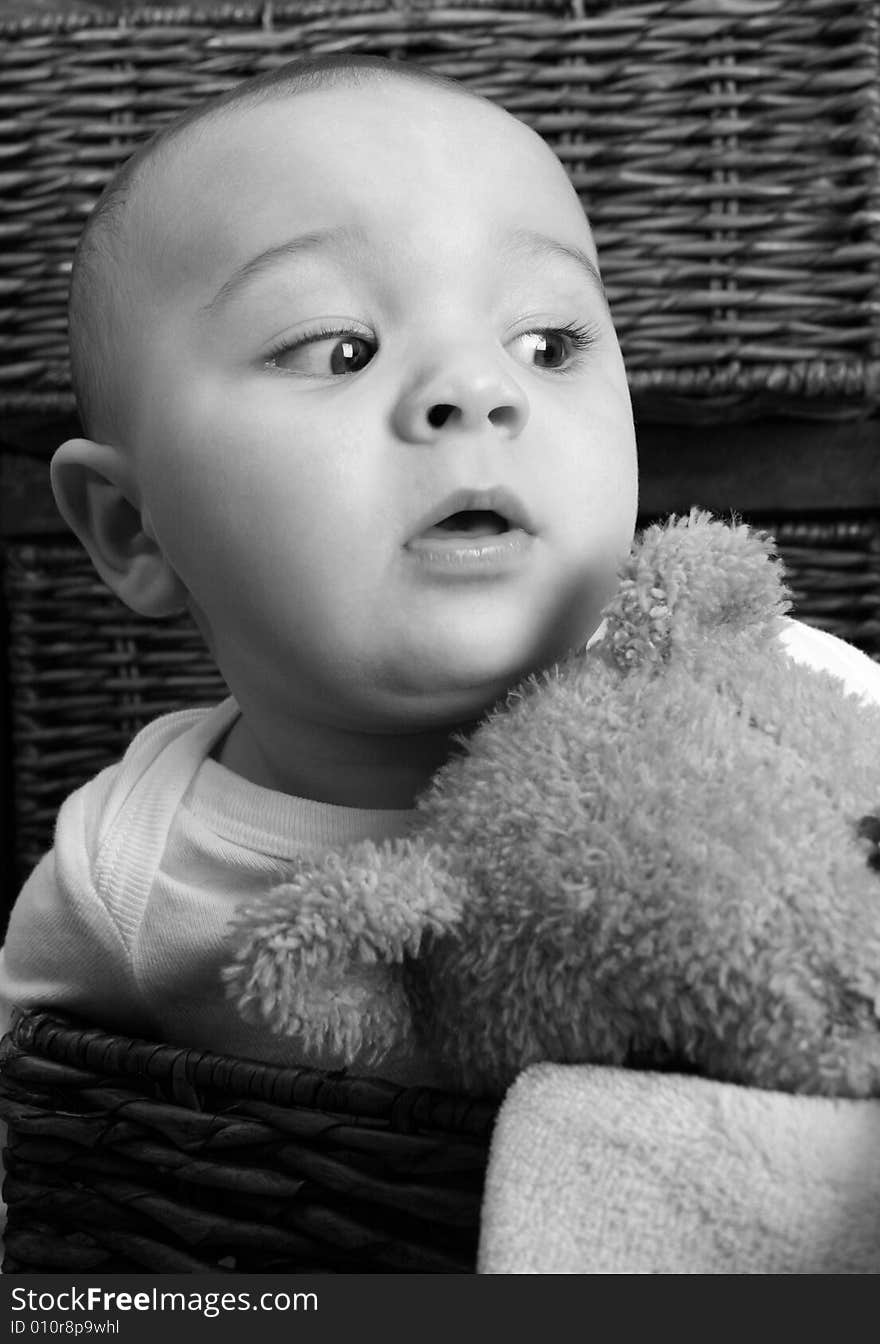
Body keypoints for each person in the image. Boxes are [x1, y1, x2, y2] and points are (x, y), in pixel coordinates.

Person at [1, 53, 879, 1086]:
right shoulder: (128, 867)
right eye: (339, 349)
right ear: (134, 531)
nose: (475, 386)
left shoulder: (763, 694)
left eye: (547, 343)